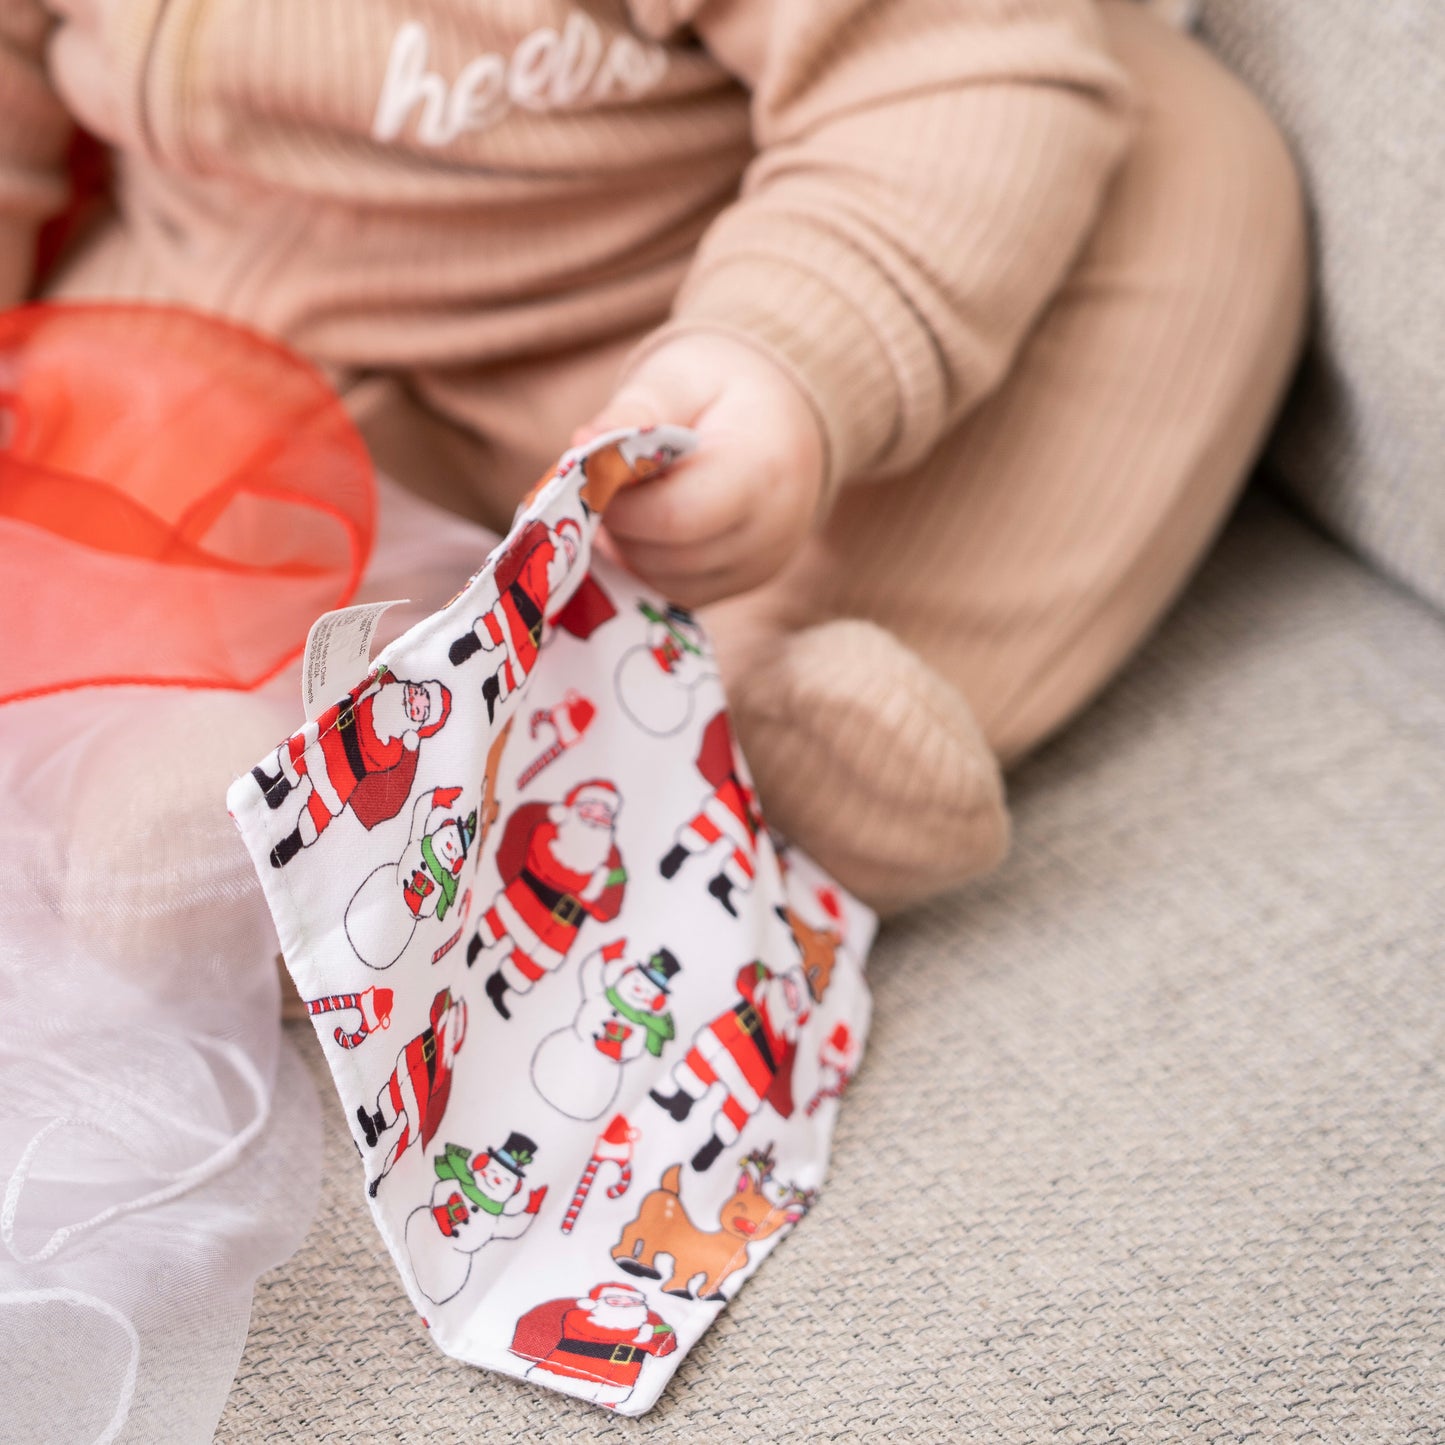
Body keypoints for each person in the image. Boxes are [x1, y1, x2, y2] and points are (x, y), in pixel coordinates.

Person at [0, 0, 1307, 914]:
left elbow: (934, 72)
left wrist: (793, 358)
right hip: (230, 329)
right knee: (118, 541)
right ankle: (242, 813)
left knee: (1190, 170)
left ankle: (764, 721)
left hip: (688, 312)